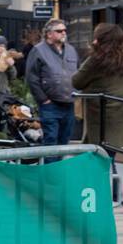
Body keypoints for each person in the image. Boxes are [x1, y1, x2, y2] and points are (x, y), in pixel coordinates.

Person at [72, 23, 123, 150]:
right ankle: (110, 167)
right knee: (111, 149)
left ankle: (106, 169)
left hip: (102, 113)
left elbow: (76, 81)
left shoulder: (97, 59)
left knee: (99, 151)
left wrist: (93, 51)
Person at [27, 18, 80, 153]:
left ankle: (58, 171)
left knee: (64, 140)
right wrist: (44, 100)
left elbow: (78, 72)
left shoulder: (71, 50)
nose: (63, 33)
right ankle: (49, 172)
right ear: (49, 34)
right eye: (59, 31)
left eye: (64, 30)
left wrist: (78, 93)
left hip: (68, 102)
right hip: (50, 104)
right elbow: (32, 77)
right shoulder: (38, 50)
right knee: (51, 140)